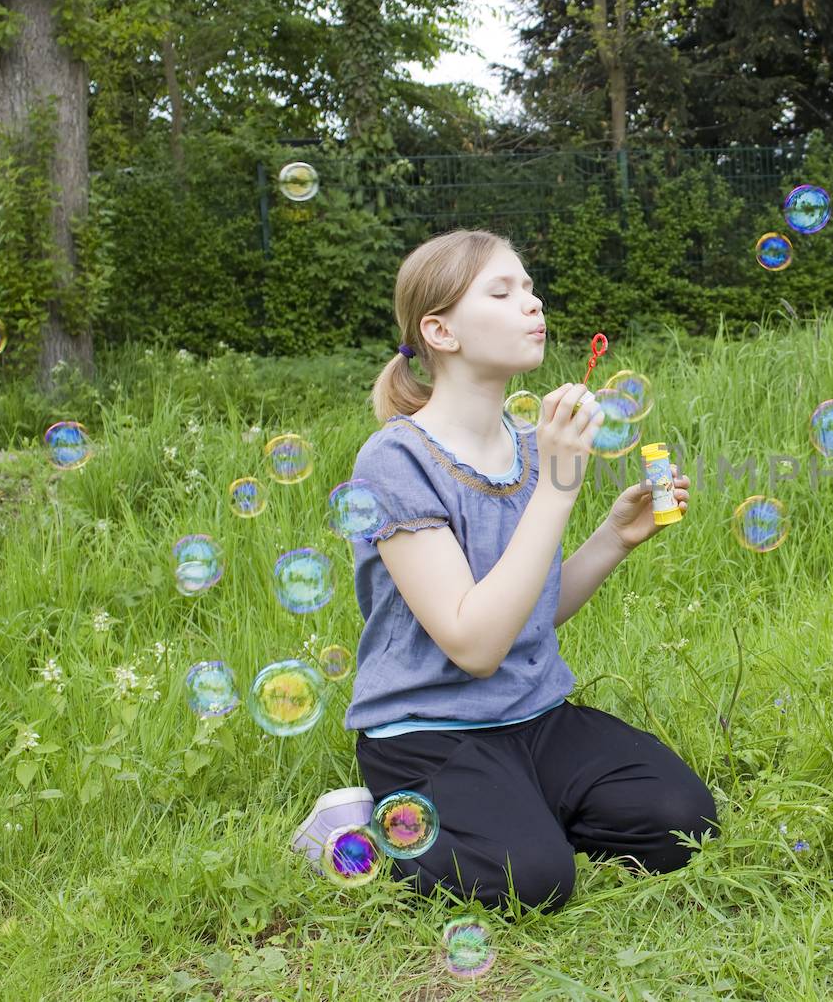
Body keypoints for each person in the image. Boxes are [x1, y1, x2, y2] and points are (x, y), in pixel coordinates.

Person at [297, 228, 716, 910]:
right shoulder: (394, 461)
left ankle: (506, 811)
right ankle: (361, 824)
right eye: (502, 290)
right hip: (427, 731)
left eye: (529, 286)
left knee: (680, 819)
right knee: (536, 880)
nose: (533, 301)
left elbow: (526, 612)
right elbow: (475, 643)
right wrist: (558, 486)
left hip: (534, 716)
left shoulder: (527, 446)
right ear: (440, 330)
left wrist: (612, 537)